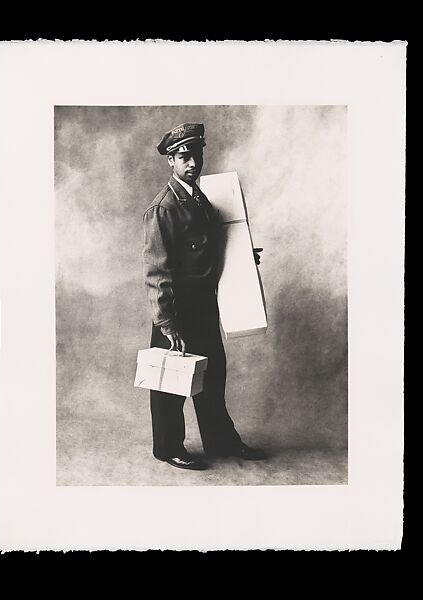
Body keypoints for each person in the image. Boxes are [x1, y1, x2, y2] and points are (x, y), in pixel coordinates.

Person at [142, 122, 266, 470]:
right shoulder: (164, 208)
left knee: (212, 375)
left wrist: (244, 257)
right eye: (184, 157)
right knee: (170, 383)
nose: (192, 163)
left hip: (204, 304)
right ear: (171, 161)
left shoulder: (199, 199)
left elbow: (207, 247)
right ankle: (168, 448)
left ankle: (221, 442)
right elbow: (156, 271)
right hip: (176, 308)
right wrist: (166, 323)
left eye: (196, 155)